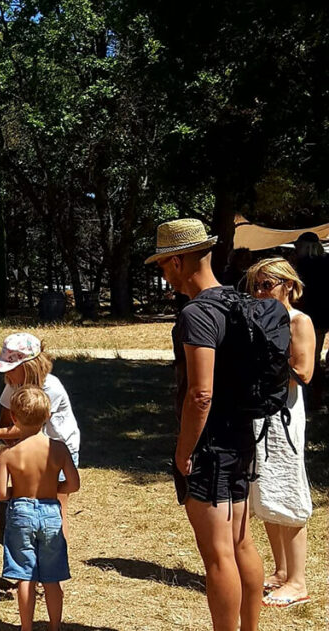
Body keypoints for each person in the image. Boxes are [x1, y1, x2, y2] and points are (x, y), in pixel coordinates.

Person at [147, 218, 264, 631]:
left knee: (218, 554)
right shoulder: (239, 302)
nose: (164, 275)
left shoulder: (197, 314)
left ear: (179, 261)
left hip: (210, 446)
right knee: (241, 542)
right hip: (241, 438)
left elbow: (200, 394)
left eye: (164, 265)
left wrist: (183, 451)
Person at [245, 258, 315, 609]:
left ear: (288, 285)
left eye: (267, 284)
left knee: (287, 487)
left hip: (283, 414)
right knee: (266, 489)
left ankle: (298, 581)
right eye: (256, 285)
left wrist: (266, 357)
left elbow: (303, 371)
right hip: (259, 413)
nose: (260, 291)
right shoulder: (256, 318)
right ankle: (281, 570)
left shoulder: (299, 321)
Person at [0, 386, 80, 631]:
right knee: (52, 577)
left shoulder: (9, 454)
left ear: (14, 417)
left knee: (24, 574)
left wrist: (18, 493)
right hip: (51, 511)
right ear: (48, 416)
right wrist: (53, 486)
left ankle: (26, 627)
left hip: (21, 512)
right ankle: (54, 626)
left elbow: (0, 493)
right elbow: (73, 484)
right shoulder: (58, 449)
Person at [0, 333, 81, 536]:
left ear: (27, 367)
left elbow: (24, 426)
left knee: (56, 509)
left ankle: (58, 559)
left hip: (56, 452)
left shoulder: (50, 387)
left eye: (11, 369)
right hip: (30, 452)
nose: (6, 375)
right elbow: (7, 420)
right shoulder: (14, 384)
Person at [294, 232, 328, 408]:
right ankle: (317, 397)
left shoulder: (305, 266)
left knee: (307, 358)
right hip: (322, 317)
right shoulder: (326, 262)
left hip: (310, 317)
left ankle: (313, 398)